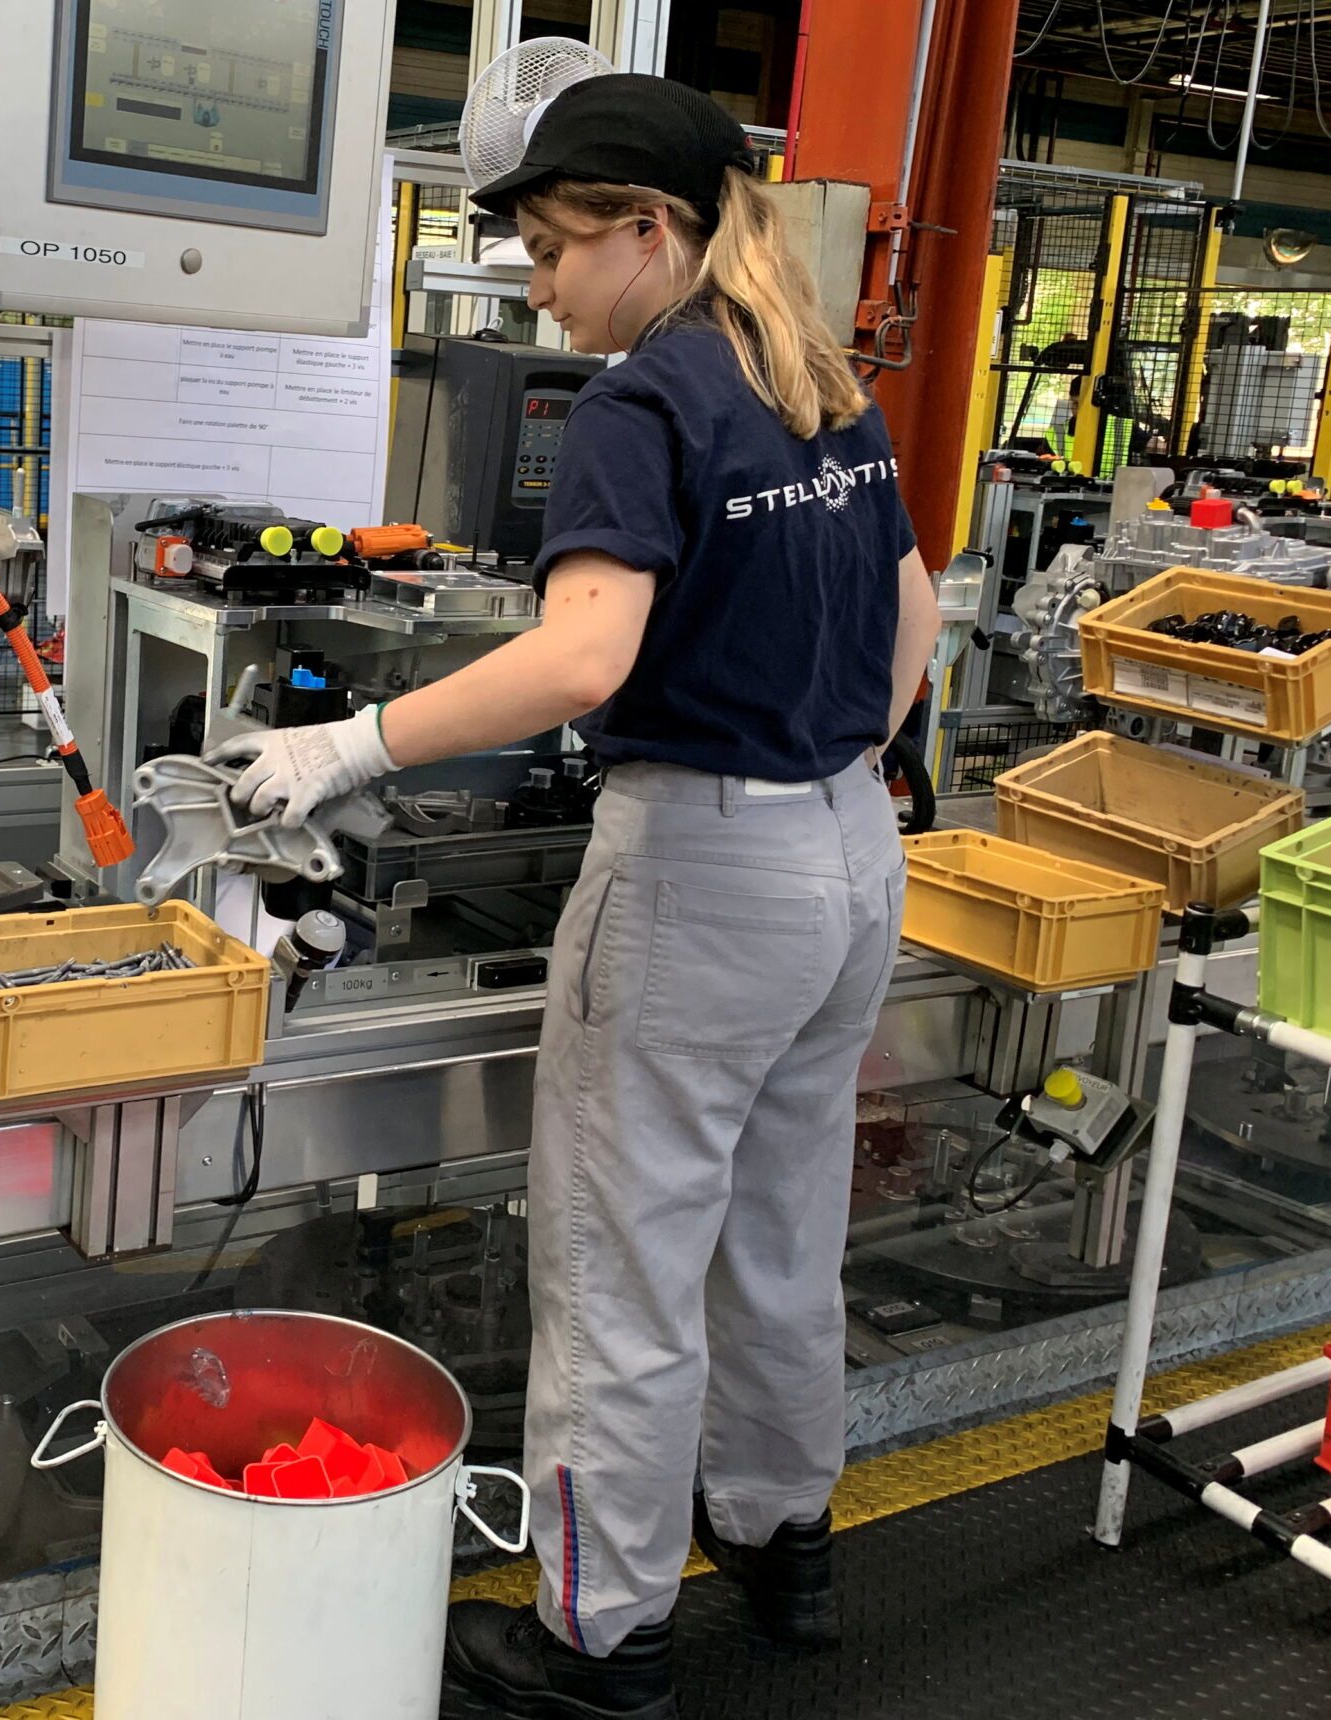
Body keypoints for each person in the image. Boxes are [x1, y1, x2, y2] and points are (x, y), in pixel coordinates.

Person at [209, 75, 940, 1720]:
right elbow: (917, 628)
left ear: (648, 230)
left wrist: (350, 748)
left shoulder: (643, 400)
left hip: (703, 873)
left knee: (621, 1262)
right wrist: (806, 758)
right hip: (847, 848)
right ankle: (783, 1544)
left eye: (552, 247)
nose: (537, 285)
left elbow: (583, 656)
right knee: (778, 1230)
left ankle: (595, 1639)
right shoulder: (818, 379)